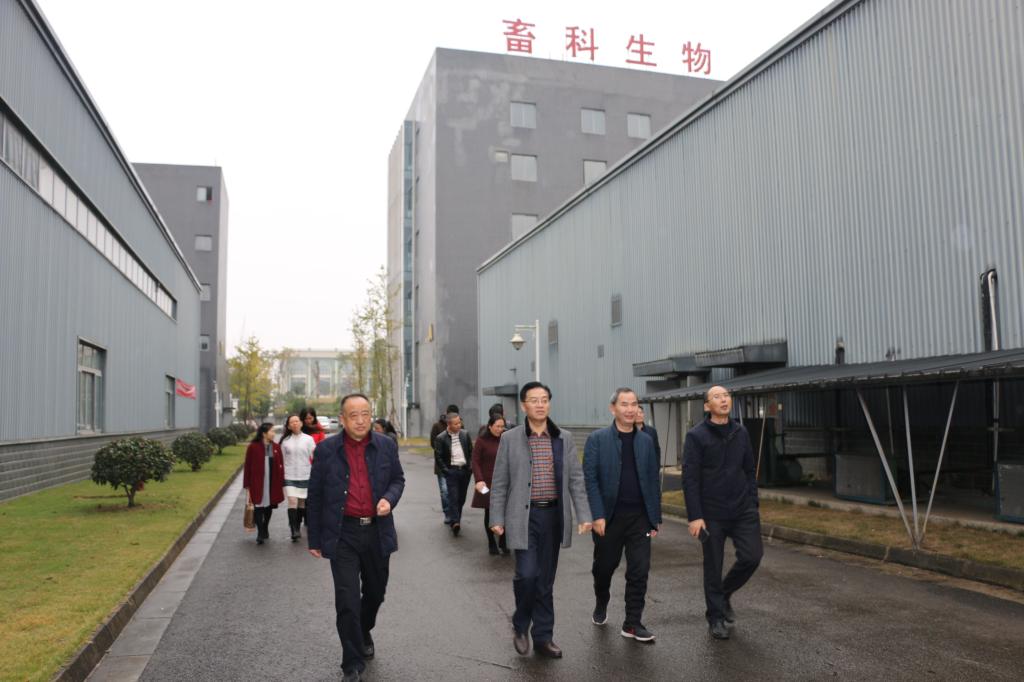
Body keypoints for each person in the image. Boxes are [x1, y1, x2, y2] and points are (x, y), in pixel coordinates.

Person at [489, 381, 592, 659]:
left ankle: (544, 637)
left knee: (545, 580)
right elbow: (500, 482)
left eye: (544, 399)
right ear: (524, 405)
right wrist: (496, 517)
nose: (540, 404)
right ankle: (521, 624)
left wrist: (584, 514)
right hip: (523, 517)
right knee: (527, 575)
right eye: (534, 400)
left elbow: (576, 479)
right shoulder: (510, 439)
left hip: (553, 517)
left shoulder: (563, 438)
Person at [307, 393, 405, 682]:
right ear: (342, 419)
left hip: (377, 531)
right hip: (343, 534)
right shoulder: (326, 450)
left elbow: (398, 479)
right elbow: (315, 495)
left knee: (375, 593)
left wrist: (389, 499)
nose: (361, 420)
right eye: (354, 415)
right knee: (347, 600)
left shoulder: (386, 446)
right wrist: (314, 539)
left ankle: (363, 629)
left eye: (365, 414)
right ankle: (352, 663)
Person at [683, 386, 762, 641]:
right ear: (707, 406)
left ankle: (724, 593)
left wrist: (752, 502)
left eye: (726, 395)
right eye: (717, 397)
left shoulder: (741, 432)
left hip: (742, 509)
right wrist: (695, 516)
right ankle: (716, 617)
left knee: (752, 556)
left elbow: (749, 469)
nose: (723, 399)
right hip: (711, 513)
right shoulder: (696, 436)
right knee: (713, 567)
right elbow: (690, 478)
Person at [582, 388, 662, 642]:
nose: (630, 409)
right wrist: (597, 515)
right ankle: (601, 599)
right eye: (624, 404)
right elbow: (590, 480)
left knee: (640, 569)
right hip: (609, 518)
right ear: (613, 408)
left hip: (640, 518)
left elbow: (652, 480)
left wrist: (654, 518)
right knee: (604, 568)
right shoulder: (597, 439)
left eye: (634, 404)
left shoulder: (646, 441)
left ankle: (632, 623)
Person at [471, 414, 508, 555]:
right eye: (497, 426)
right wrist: (479, 480)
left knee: (505, 512)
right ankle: (491, 542)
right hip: (487, 484)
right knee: (490, 511)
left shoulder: (506, 439)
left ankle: (503, 541)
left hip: (504, 483)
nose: (500, 429)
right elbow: (475, 462)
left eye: (502, 426)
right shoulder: (481, 441)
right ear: (490, 426)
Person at [243, 423, 284, 545]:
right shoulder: (253, 447)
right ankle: (260, 532)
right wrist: (247, 484)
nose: (274, 433)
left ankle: (265, 526)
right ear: (264, 433)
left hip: (272, 481)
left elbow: (281, 465)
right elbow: (247, 466)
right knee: (258, 506)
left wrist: (281, 481)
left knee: (269, 506)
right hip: (257, 482)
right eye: (272, 431)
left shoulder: (276, 447)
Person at [434, 412, 473, 536]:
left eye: (459, 423)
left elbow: (471, 452)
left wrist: (470, 467)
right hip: (452, 471)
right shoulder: (441, 438)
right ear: (449, 424)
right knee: (453, 497)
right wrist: (446, 471)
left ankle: (455, 519)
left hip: (465, 471)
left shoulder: (465, 434)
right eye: (456, 424)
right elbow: (438, 457)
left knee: (461, 498)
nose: (459, 425)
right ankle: (455, 522)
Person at [280, 414, 315, 541]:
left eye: (297, 421)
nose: (295, 423)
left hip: (305, 475)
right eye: (292, 422)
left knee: (301, 503)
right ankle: (293, 529)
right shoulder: (285, 441)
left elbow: (314, 456)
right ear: (289, 426)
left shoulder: (308, 439)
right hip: (289, 475)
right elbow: (281, 460)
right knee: (292, 501)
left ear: (301, 423)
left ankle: (298, 525)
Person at [429, 409, 454, 526]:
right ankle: (448, 513)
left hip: (456, 465)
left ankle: (455, 514)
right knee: (445, 491)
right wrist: (442, 451)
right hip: (441, 465)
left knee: (456, 491)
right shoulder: (437, 426)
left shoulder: (459, 425)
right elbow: (433, 443)